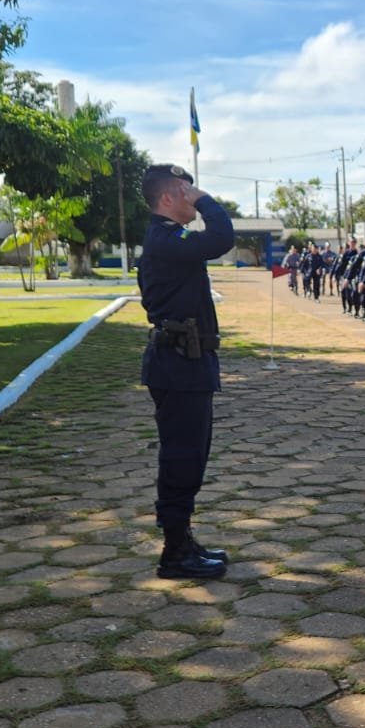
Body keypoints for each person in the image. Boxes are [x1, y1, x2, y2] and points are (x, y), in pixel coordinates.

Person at [136, 164, 235, 579]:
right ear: (166, 198)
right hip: (178, 363)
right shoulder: (165, 238)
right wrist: (206, 200)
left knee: (192, 455)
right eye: (184, 190)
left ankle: (183, 538)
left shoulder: (169, 239)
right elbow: (221, 238)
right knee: (181, 457)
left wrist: (193, 196)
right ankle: (174, 552)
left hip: (186, 361)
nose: (192, 196)